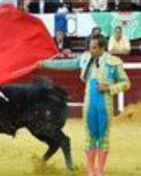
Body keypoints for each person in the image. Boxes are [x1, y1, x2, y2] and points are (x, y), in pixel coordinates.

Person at [41, 35, 131, 176]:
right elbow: (67, 64)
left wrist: (109, 87)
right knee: (90, 137)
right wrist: (45, 64)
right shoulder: (85, 58)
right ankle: (91, 172)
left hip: (105, 105)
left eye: (94, 47)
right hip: (89, 104)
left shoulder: (114, 62)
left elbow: (126, 83)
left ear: (102, 47)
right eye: (89, 46)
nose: (90, 50)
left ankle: (99, 172)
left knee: (103, 137)